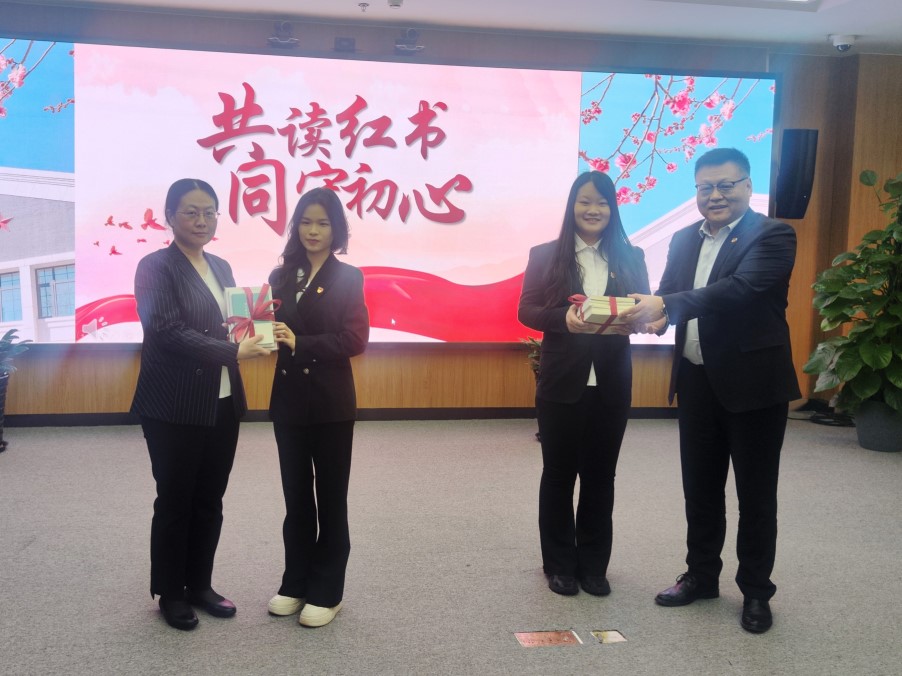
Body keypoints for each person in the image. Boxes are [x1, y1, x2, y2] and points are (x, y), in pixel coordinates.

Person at [620, 147, 801, 633]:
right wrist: (651, 317)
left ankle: (756, 591)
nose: (715, 196)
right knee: (699, 490)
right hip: (696, 380)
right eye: (705, 188)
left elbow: (740, 290)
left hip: (754, 386)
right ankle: (701, 576)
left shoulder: (773, 234)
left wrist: (665, 304)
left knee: (756, 496)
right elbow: (670, 294)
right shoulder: (684, 239)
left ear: (747, 186)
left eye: (726, 185)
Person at [132, 178, 271, 630]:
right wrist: (234, 350)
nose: (201, 220)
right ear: (170, 216)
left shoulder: (222, 266)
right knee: (176, 499)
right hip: (173, 405)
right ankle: (171, 592)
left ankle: (200, 584)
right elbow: (166, 330)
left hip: (222, 401)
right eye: (191, 212)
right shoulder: (155, 267)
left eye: (209, 212)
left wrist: (260, 330)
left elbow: (231, 322)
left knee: (210, 498)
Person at [518, 171, 650, 597]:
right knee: (558, 474)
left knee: (600, 475)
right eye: (585, 201)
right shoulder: (546, 255)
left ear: (613, 209)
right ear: (572, 206)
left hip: (612, 382)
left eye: (602, 202)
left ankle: (593, 565)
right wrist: (564, 319)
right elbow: (527, 310)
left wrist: (642, 318)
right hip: (561, 381)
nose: (594, 210)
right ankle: (558, 564)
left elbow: (644, 308)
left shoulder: (632, 256)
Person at [265, 187, 369, 628]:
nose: (313, 230)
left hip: (331, 402)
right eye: (306, 222)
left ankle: (328, 590)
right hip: (288, 400)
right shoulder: (279, 276)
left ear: (336, 229)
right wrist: (254, 335)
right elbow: (268, 328)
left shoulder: (349, 277)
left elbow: (355, 339)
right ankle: (295, 582)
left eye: (322, 223)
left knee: (330, 497)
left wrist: (300, 343)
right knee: (295, 496)